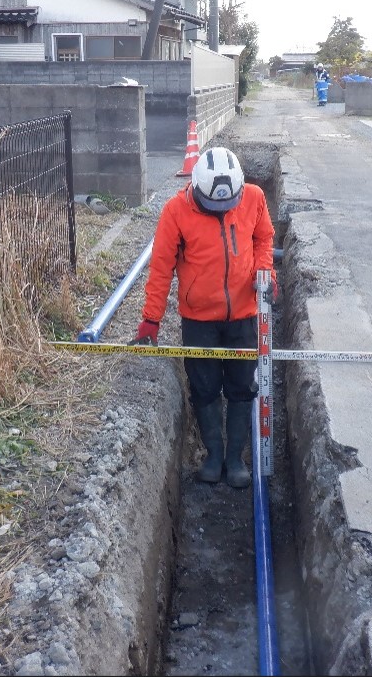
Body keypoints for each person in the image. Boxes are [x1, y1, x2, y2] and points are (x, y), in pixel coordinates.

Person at [130, 146, 277, 489]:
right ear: (196, 188)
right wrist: (151, 319)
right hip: (198, 320)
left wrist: (265, 273)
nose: (221, 211)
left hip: (243, 315)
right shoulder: (176, 212)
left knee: (242, 387)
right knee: (205, 387)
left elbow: (264, 238)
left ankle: (235, 458)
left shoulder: (253, 198)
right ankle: (213, 454)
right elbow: (161, 268)